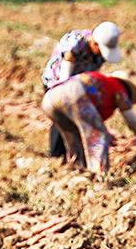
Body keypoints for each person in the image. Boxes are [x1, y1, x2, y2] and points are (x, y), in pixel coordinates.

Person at [41, 69, 136, 174]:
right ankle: (99, 174)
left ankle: (76, 169)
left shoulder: (102, 81)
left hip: (50, 97)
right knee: (98, 134)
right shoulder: (119, 88)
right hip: (74, 92)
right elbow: (132, 119)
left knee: (73, 134)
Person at [41, 22, 122, 157]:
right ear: (94, 44)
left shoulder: (100, 53)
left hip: (79, 85)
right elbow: (64, 81)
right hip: (57, 82)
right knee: (62, 119)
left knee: (78, 122)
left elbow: (93, 75)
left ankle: (77, 157)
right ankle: (56, 156)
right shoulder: (75, 45)